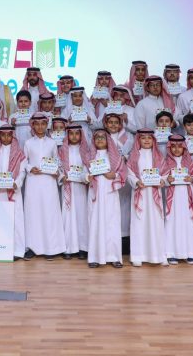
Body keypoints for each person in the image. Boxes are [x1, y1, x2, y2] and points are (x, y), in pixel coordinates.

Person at [23, 113, 65, 260]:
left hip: (48, 182)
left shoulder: (52, 143)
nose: (40, 127)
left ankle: (51, 248)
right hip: (33, 181)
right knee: (33, 213)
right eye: (37, 124)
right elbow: (23, 161)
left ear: (47, 125)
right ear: (33, 126)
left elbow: (57, 161)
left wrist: (56, 172)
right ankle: (32, 247)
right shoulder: (28, 143)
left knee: (49, 213)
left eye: (43, 124)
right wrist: (30, 168)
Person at [0, 124, 28, 260]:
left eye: (8, 135)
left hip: (13, 192)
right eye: (3, 135)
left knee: (15, 220)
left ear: (12, 136)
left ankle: (17, 250)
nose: (6, 138)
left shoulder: (19, 154)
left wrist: (17, 183)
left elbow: (22, 172)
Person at [86, 128, 126, 269]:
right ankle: (95, 257)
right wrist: (88, 176)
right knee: (95, 223)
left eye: (103, 137)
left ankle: (114, 257)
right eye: (97, 137)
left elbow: (122, 173)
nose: (100, 140)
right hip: (95, 195)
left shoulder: (115, 156)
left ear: (108, 140)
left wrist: (114, 175)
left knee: (112, 223)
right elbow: (83, 174)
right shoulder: (89, 156)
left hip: (110, 194)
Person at [127, 129, 166, 266]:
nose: (147, 140)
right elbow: (129, 173)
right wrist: (136, 181)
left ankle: (158, 255)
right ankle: (138, 256)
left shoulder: (159, 156)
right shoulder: (134, 156)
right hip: (141, 193)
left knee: (156, 223)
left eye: (149, 138)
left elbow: (165, 172)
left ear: (153, 140)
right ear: (138, 140)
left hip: (155, 194)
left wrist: (162, 180)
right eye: (143, 138)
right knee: (139, 223)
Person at [162, 134, 193, 264]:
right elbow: (161, 179)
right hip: (172, 199)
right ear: (169, 148)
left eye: (180, 146)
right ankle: (171, 253)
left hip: (187, 198)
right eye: (173, 146)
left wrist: (192, 179)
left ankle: (191, 253)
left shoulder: (189, 161)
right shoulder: (165, 162)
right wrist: (167, 180)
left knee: (188, 222)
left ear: (184, 147)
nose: (177, 149)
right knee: (172, 223)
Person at [59, 124, 91, 260]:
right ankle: (68, 248)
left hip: (81, 188)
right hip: (67, 186)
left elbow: (88, 167)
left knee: (81, 216)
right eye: (71, 133)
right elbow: (58, 167)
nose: (74, 136)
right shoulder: (62, 150)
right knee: (67, 216)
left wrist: (84, 177)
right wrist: (62, 176)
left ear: (81, 135)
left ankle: (83, 247)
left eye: (76, 133)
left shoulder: (86, 151)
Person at [103, 111, 134, 238]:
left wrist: (125, 157)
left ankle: (124, 234)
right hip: (107, 175)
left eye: (116, 122)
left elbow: (133, 154)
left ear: (120, 124)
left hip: (123, 174)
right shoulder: (101, 137)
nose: (113, 125)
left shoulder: (129, 137)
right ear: (106, 124)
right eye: (110, 122)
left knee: (124, 202)